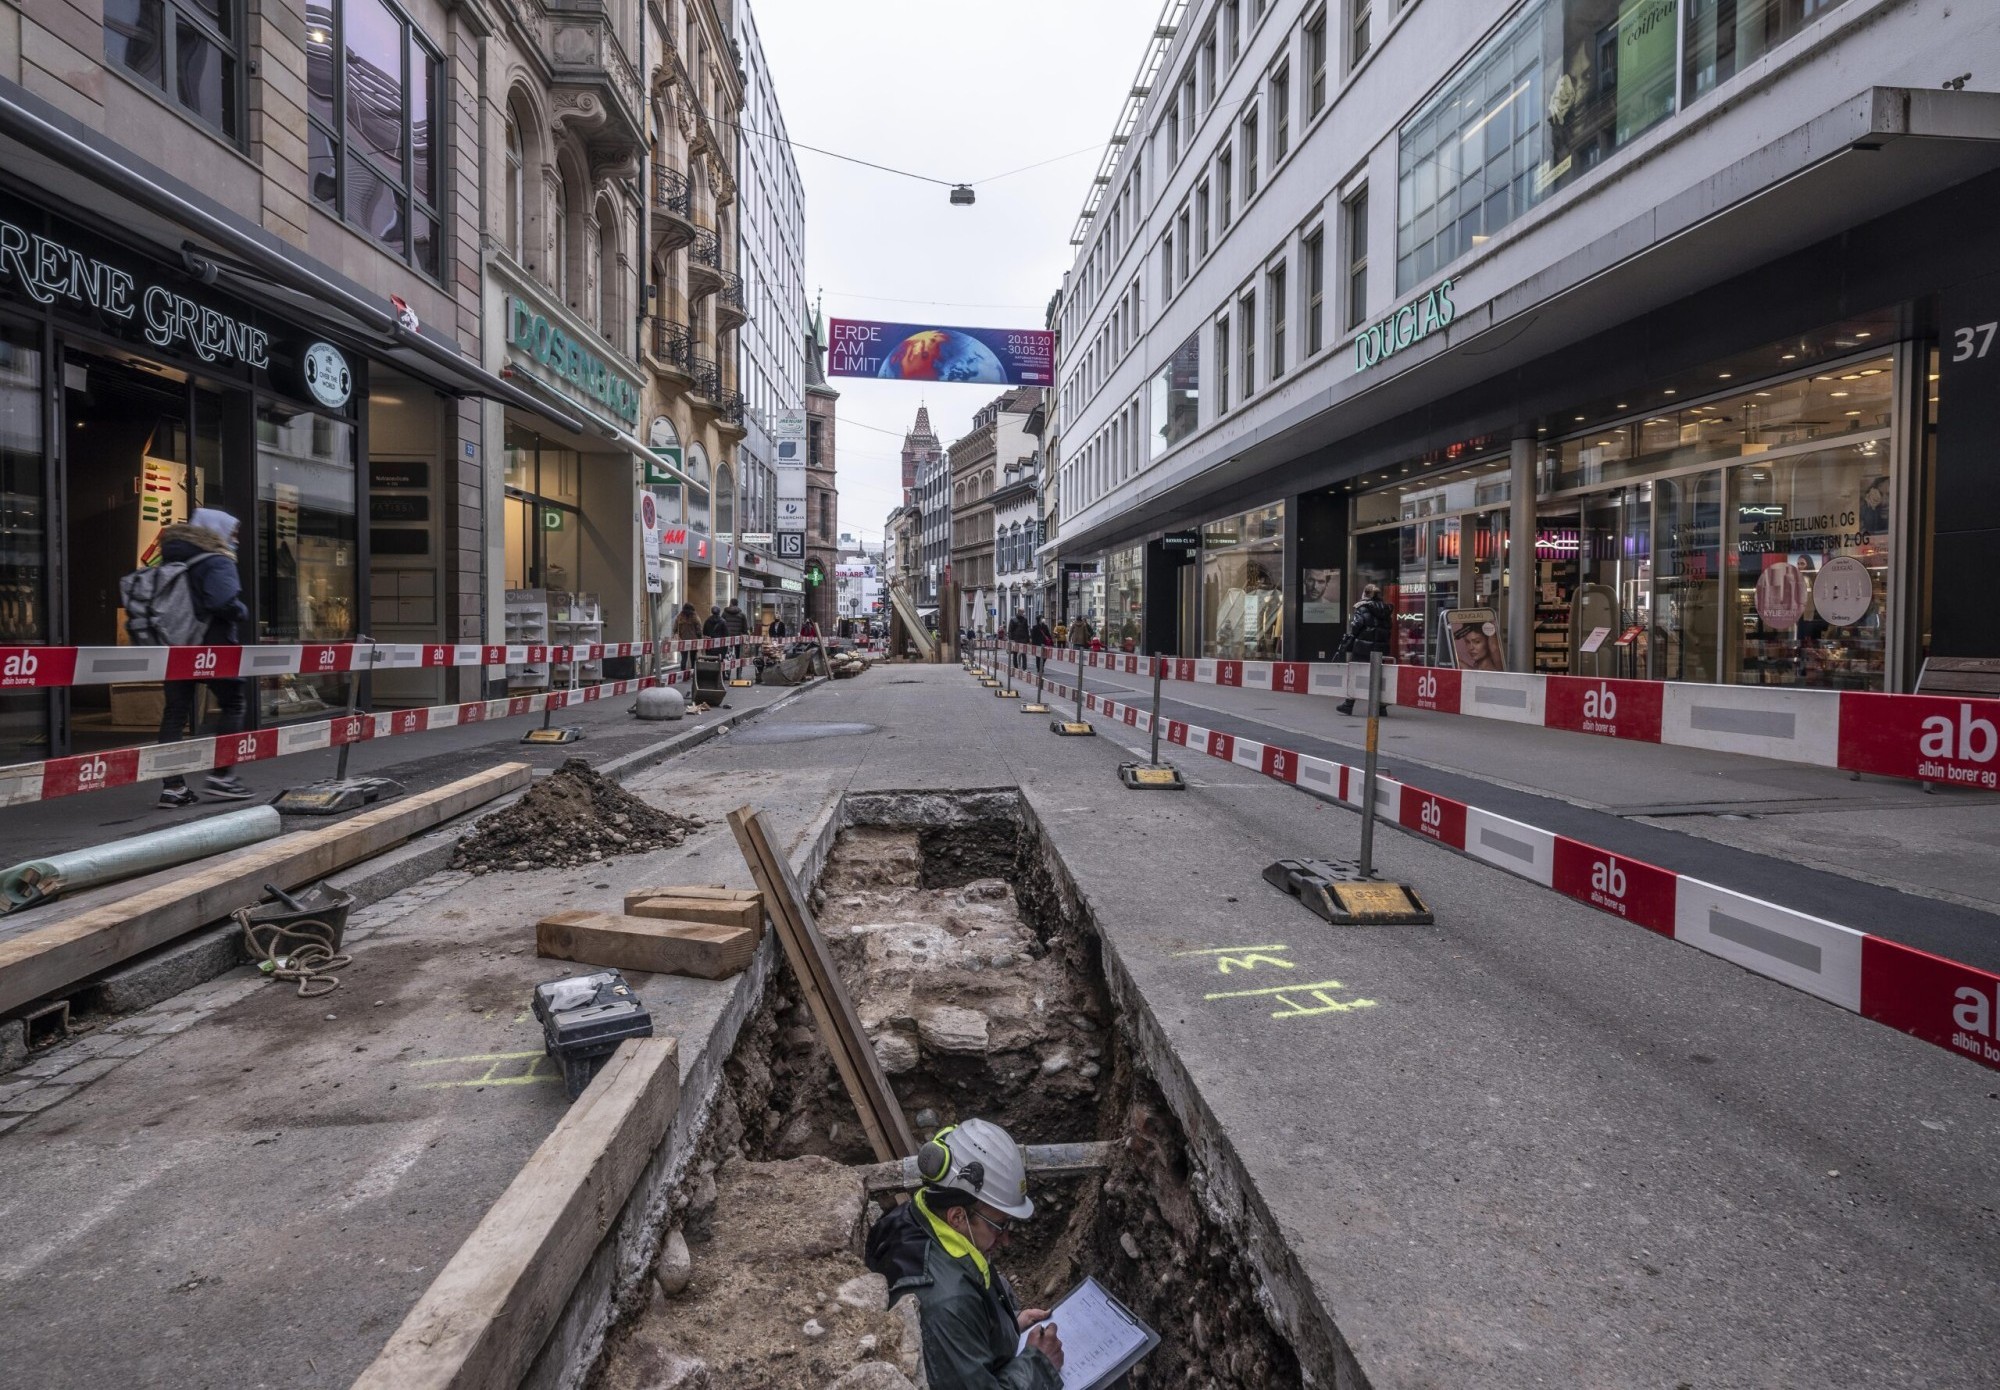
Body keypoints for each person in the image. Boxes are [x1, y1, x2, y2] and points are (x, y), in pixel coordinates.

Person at [864, 1119, 1063, 1390]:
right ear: (958, 1216)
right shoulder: (945, 1304)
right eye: (1000, 1225)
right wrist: (1039, 1364)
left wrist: (1007, 1327)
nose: (1006, 1239)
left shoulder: (911, 1218)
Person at [151, 507, 251, 807]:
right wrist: (242, 611)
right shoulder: (217, 560)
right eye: (232, 533)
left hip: (178, 644)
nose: (235, 540)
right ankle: (222, 776)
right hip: (214, 646)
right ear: (216, 530)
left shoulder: (172, 558)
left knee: (175, 713)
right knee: (233, 704)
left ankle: (173, 788)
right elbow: (223, 602)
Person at [1335, 583, 1393, 717]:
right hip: (1381, 649)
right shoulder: (1386, 610)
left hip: (1363, 648)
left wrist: (1347, 642)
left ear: (1365, 594)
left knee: (1355, 675)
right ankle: (1381, 708)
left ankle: (1348, 705)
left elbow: (1356, 627)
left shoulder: (1362, 608)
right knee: (1379, 677)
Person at [672, 603, 703, 671]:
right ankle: (693, 672)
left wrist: (675, 634)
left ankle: (682, 673)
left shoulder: (679, 617)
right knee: (693, 658)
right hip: (693, 640)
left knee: (684, 658)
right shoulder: (695, 617)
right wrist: (700, 638)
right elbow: (699, 630)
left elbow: (674, 628)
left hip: (682, 640)